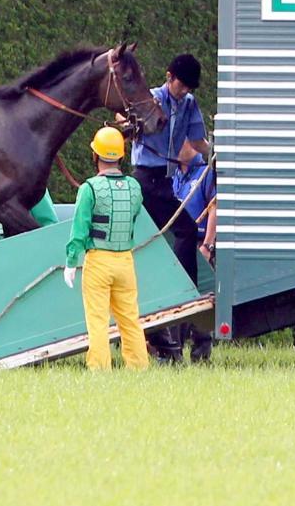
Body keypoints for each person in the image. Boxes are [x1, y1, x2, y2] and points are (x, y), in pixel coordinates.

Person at [130, 53, 212, 361]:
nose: (185, 92)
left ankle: (180, 287)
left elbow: (198, 140)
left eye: (189, 88)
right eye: (182, 87)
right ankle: (182, 287)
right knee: (186, 230)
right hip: (145, 178)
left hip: (164, 182)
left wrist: (216, 153)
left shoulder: (189, 105)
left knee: (180, 232)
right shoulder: (152, 98)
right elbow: (129, 122)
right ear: (169, 77)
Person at [63, 126, 148, 371]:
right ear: (121, 156)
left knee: (98, 320)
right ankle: (139, 367)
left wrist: (71, 261)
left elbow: (79, 229)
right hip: (125, 261)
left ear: (95, 156)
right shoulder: (134, 186)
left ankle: (100, 369)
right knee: (130, 318)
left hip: (98, 261)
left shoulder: (88, 189)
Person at [172, 140, 217, 362]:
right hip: (179, 242)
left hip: (199, 242)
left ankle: (201, 351)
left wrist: (208, 245)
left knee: (201, 298)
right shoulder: (174, 173)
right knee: (178, 298)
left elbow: (215, 207)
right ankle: (175, 348)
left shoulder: (205, 171)